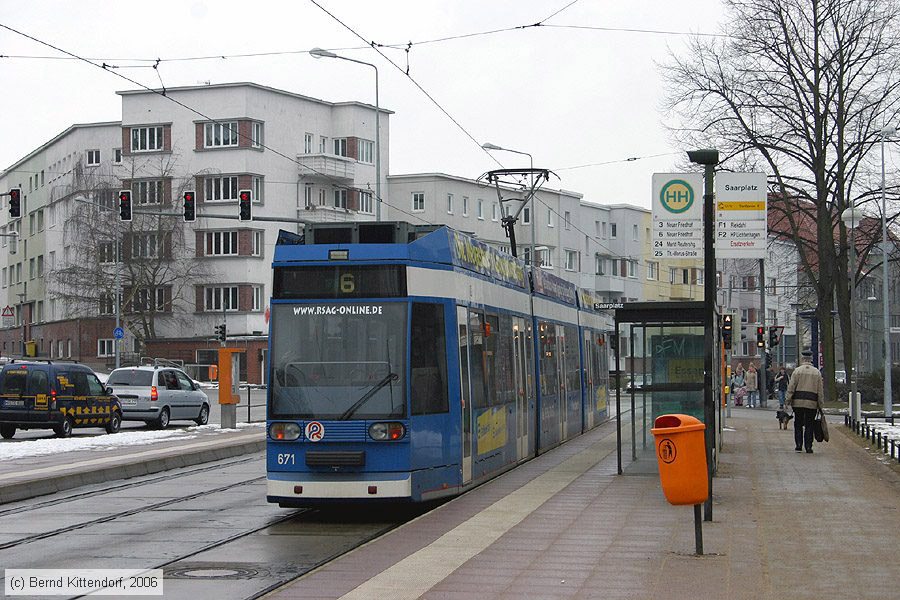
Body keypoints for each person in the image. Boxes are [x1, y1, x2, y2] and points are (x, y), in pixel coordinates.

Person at [786, 349, 825, 453]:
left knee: (798, 423)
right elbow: (820, 390)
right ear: (811, 359)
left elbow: (791, 387)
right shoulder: (816, 372)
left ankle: (799, 444)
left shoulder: (797, 371)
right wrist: (820, 404)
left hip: (798, 402)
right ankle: (808, 446)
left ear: (802, 359)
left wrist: (788, 400)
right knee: (809, 424)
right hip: (811, 403)